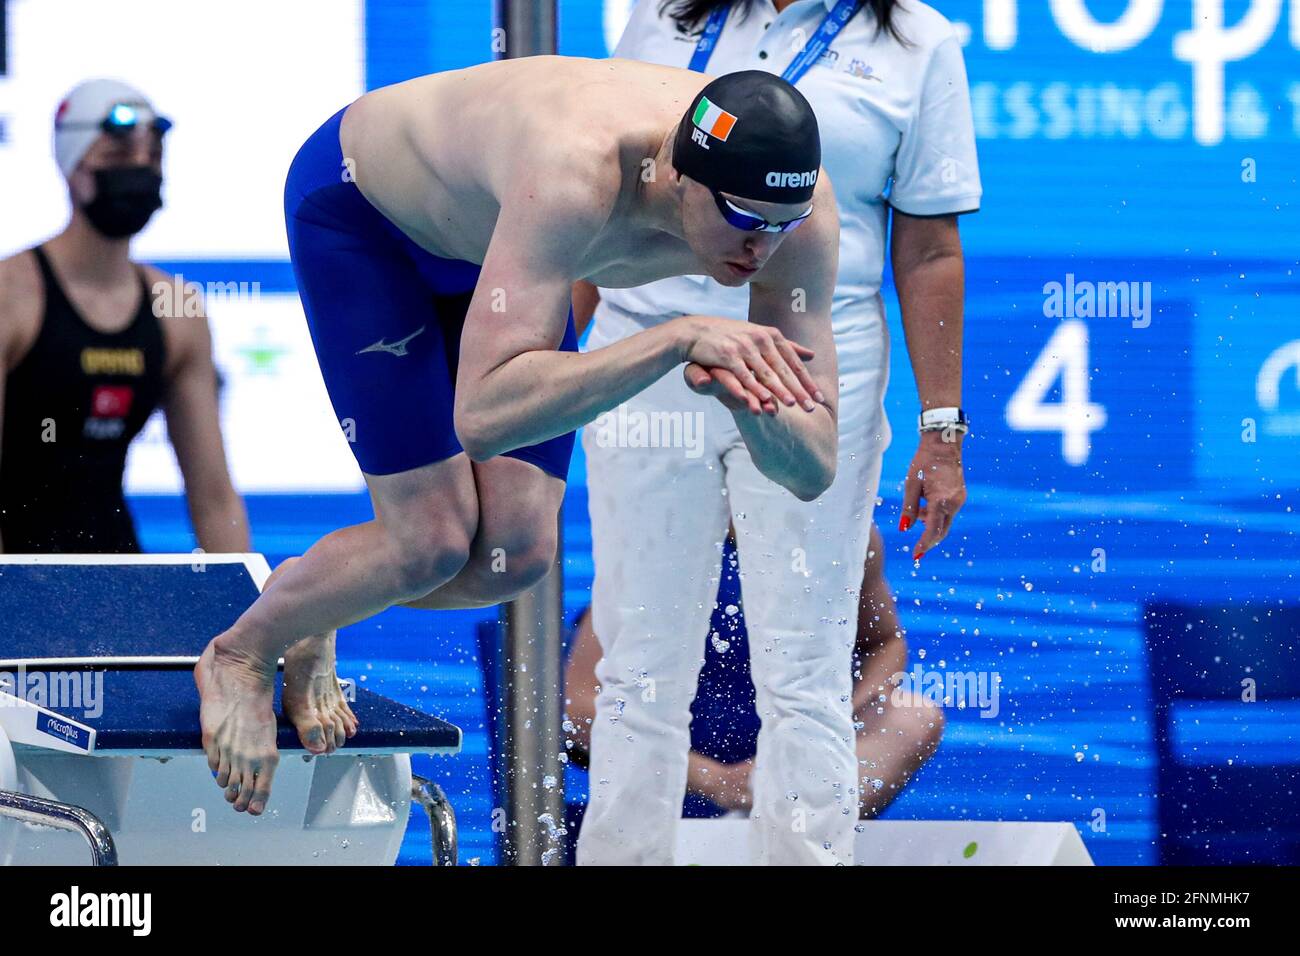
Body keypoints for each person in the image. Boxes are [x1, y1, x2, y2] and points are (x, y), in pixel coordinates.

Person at [196, 57, 844, 816]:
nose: (760, 248)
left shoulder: (796, 217)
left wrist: (756, 407)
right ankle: (241, 650)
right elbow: (484, 415)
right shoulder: (579, 169)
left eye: (781, 225)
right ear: (675, 174)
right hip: (368, 222)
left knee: (518, 555)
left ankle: (313, 605)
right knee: (427, 542)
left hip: (506, 248)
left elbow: (813, 464)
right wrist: (674, 339)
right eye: (740, 217)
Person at [574, 0, 980, 865]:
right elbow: (608, 191)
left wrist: (940, 430)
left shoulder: (919, 43)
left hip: (811, 354)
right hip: (652, 351)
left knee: (806, 669)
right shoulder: (668, 14)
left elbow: (930, 249)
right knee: (636, 666)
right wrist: (562, 354)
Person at [0, 79, 249, 556]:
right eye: (117, 155)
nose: (138, 166)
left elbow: (214, 499)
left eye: (152, 156)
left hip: (118, 581)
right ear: (74, 167)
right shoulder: (11, 296)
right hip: (14, 573)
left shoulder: (177, 310)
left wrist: (255, 619)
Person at [564, 524, 944, 821]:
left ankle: (781, 831)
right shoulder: (664, 533)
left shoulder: (848, 531)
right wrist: (711, 779)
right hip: (670, 768)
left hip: (782, 767)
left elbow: (884, 644)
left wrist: (832, 721)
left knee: (911, 717)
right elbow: (581, 709)